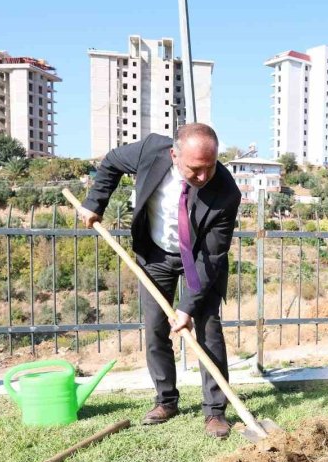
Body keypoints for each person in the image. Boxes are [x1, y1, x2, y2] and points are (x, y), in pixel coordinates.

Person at [79, 124, 240, 438]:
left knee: (208, 333)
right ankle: (166, 400)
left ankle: (215, 412)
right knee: (155, 329)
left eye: (210, 167)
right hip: (155, 254)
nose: (204, 177)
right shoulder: (150, 151)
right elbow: (111, 162)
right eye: (195, 169)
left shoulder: (226, 191)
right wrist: (94, 203)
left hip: (200, 261)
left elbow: (211, 257)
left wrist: (187, 309)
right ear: (174, 154)